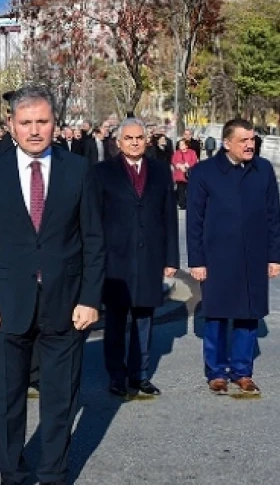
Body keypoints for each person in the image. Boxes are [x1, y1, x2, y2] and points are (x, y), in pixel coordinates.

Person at [0, 86, 104, 485]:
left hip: (66, 304)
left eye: (42, 121)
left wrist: (90, 298)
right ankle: (11, 472)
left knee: (61, 399)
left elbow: (94, 240)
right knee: (8, 399)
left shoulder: (77, 170)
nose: (34, 130)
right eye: (25, 122)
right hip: (7, 305)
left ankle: (54, 472)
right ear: (11, 126)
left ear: (54, 124)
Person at [186, 118, 280, 395]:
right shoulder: (204, 172)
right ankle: (216, 372)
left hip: (253, 255)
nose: (249, 145)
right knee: (216, 315)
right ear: (227, 143)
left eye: (252, 139)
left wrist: (275, 256)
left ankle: (242, 371)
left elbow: (273, 216)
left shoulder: (263, 170)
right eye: (243, 140)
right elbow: (195, 220)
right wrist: (197, 261)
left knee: (247, 315)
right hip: (217, 257)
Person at [95, 118, 178, 397]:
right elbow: (94, 220)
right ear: (118, 143)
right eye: (128, 138)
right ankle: (116, 376)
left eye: (139, 138)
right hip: (115, 261)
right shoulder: (102, 172)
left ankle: (139, 375)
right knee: (116, 321)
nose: (134, 142)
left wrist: (171, 259)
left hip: (150, 258)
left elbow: (169, 217)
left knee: (144, 319)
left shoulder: (160, 171)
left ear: (147, 140)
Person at [171, 139, 198, 210]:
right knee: (181, 190)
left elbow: (194, 160)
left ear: (186, 145)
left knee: (190, 190)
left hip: (189, 174)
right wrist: (179, 165)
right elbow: (173, 161)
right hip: (179, 175)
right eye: (180, 144)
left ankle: (191, 204)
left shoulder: (192, 152)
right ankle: (182, 204)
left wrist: (186, 165)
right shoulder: (176, 153)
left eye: (182, 144)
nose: (180, 146)